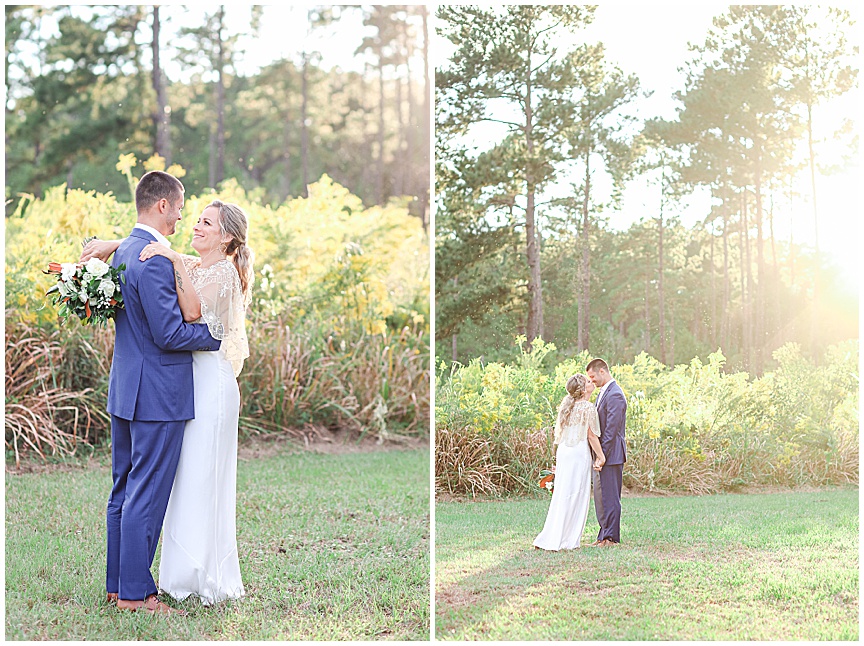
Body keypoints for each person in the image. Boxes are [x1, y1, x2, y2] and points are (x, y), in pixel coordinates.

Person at [83, 197, 254, 606]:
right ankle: (167, 578)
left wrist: (175, 260)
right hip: (176, 386)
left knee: (200, 480)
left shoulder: (223, 274)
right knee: (177, 483)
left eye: (206, 223)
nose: (194, 225)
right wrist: (114, 244)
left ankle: (202, 574)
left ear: (227, 236)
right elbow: (141, 256)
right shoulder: (190, 263)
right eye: (193, 218)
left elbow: (191, 315)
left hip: (208, 386)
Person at [533, 374, 606, 551]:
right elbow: (591, 435)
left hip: (564, 453)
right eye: (588, 381)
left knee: (562, 494)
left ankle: (553, 537)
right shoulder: (588, 408)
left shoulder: (567, 406)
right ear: (583, 389)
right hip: (578, 454)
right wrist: (601, 456)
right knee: (577, 494)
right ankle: (568, 540)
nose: (592, 382)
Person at [585, 358, 627, 546]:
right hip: (603, 454)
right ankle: (603, 535)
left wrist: (602, 455)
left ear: (602, 371)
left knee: (611, 497)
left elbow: (611, 429)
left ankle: (611, 537)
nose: (591, 381)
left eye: (592, 376)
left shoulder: (615, 394)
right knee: (602, 497)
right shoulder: (604, 393)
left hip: (612, 454)